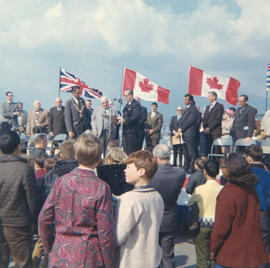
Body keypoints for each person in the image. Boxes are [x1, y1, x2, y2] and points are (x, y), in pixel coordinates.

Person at [39, 133, 116, 267]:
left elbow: (44, 218)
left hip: (60, 253)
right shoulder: (101, 188)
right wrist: (109, 263)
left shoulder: (61, 182)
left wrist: (50, 247)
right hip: (88, 256)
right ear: (99, 159)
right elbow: (106, 232)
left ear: (76, 156)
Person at [210, 153, 267, 268]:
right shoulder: (251, 189)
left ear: (231, 170)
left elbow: (221, 228)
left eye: (223, 167)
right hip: (252, 254)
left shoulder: (229, 193)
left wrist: (212, 248)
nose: (221, 171)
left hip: (231, 255)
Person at [115, 150, 164, 268]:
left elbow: (118, 237)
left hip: (132, 261)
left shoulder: (129, 199)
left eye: (129, 167)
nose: (125, 170)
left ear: (141, 171)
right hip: (153, 260)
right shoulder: (157, 196)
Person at [0, 130, 41, 267]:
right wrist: (35, 219)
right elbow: (32, 199)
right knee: (22, 262)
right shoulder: (25, 169)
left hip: (7, 220)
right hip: (18, 223)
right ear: (18, 147)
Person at [150, 144, 186, 268]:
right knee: (168, 255)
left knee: (151, 255)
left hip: (152, 218)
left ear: (155, 157)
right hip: (169, 217)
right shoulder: (180, 173)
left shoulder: (151, 175)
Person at [188, 159, 223, 268]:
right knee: (215, 256)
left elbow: (191, 203)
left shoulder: (199, 189)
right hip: (218, 225)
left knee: (201, 256)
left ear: (205, 172)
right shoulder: (222, 189)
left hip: (202, 225)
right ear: (218, 172)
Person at [245, 144, 270, 257]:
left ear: (249, 158)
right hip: (264, 216)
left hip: (246, 214)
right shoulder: (267, 175)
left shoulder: (243, 175)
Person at [179, 94, 199, 173]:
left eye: (186, 100)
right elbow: (181, 120)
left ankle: (192, 168)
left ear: (190, 101)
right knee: (186, 152)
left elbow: (190, 121)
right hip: (184, 134)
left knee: (192, 152)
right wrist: (180, 127)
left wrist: (182, 128)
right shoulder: (185, 109)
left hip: (190, 133)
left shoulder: (193, 109)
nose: (184, 101)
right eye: (184, 99)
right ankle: (186, 167)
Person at [118, 89, 141, 155]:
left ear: (131, 95)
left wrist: (125, 120)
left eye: (126, 96)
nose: (125, 97)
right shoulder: (126, 105)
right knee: (125, 151)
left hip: (132, 132)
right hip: (125, 132)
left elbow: (135, 116)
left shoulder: (136, 104)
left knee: (131, 152)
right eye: (124, 96)